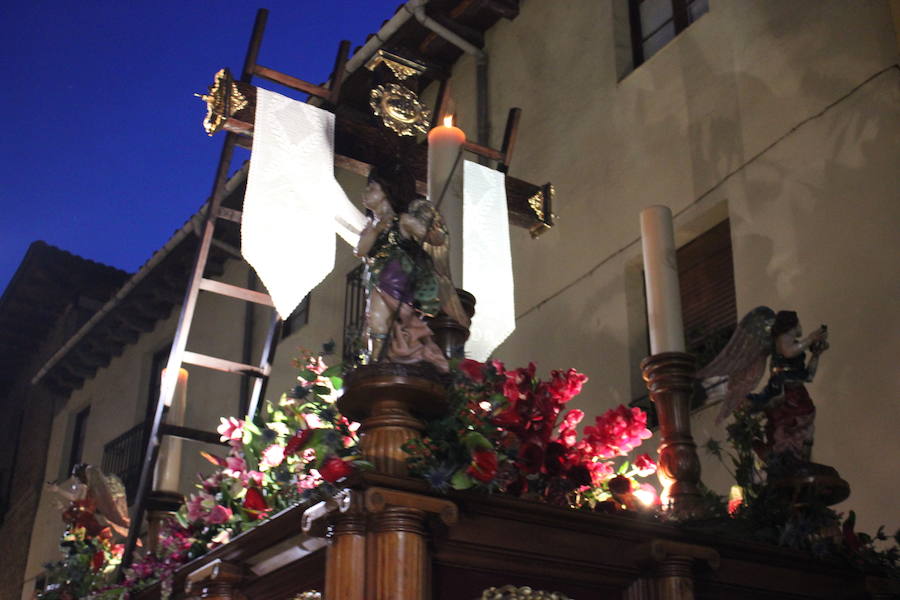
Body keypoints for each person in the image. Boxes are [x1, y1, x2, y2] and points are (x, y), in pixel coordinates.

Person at [354, 169, 469, 372]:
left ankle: (377, 363)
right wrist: (378, 228)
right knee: (377, 323)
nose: (366, 192)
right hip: (375, 277)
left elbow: (434, 238)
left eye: (372, 188)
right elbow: (360, 250)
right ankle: (381, 359)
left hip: (394, 275)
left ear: (386, 193)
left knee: (377, 318)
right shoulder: (371, 227)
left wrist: (432, 228)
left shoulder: (403, 220)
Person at [748, 311, 828, 464]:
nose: (800, 327)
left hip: (796, 393)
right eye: (798, 323)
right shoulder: (784, 341)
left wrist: (816, 354)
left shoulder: (796, 346)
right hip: (783, 391)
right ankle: (784, 458)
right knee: (784, 427)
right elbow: (789, 351)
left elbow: (809, 375)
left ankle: (801, 460)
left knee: (807, 429)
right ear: (791, 326)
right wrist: (811, 338)